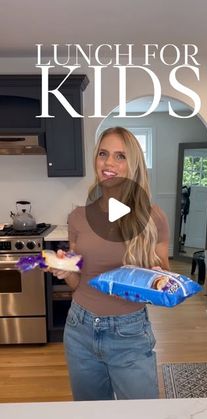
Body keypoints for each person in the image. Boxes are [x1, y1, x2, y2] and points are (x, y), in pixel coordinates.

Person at [51, 126, 170, 401]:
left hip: (129, 332)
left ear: (134, 165)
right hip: (79, 329)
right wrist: (66, 269)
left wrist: (154, 275)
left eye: (120, 156)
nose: (108, 163)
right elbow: (76, 281)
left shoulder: (153, 218)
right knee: (91, 412)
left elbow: (163, 281)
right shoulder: (78, 217)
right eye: (103, 154)